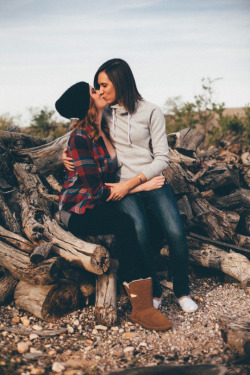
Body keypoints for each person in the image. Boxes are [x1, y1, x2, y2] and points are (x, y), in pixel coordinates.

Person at [63, 59, 198, 313]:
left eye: (103, 85)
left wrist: (138, 182)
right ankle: (155, 290)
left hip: (149, 179)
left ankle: (182, 291)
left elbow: (162, 158)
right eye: (97, 86)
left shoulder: (151, 111)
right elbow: (82, 132)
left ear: (120, 81)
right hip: (120, 184)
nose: (100, 91)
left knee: (175, 231)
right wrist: (64, 154)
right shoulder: (106, 113)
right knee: (140, 231)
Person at [55, 81, 172, 331]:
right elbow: (96, 191)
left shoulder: (103, 128)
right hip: (76, 210)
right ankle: (141, 308)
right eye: (93, 91)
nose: (99, 91)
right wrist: (139, 186)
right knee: (125, 224)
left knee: (152, 223)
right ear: (87, 102)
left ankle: (138, 283)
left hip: (97, 201)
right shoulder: (80, 137)